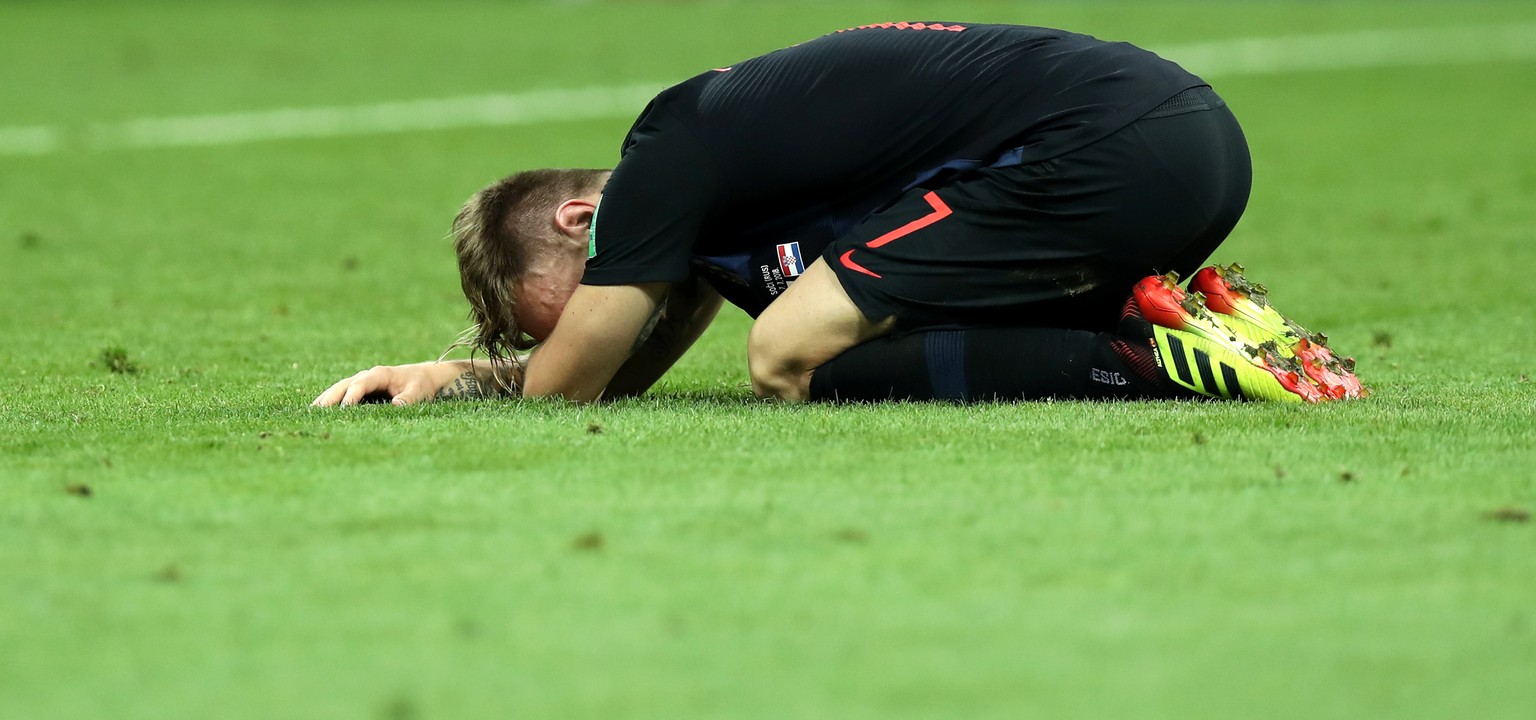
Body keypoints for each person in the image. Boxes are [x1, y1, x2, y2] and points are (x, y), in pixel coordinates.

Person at [313, 21, 1365, 408]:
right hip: (1185, 145)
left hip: (1113, 146)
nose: (600, 317)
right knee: (854, 340)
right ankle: (1188, 327)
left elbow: (571, 383)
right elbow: (616, 374)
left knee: (787, 353)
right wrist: (509, 370)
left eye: (579, 299)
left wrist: (455, 379)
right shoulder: (711, 212)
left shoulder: (660, 158)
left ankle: (1143, 366)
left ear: (584, 220)